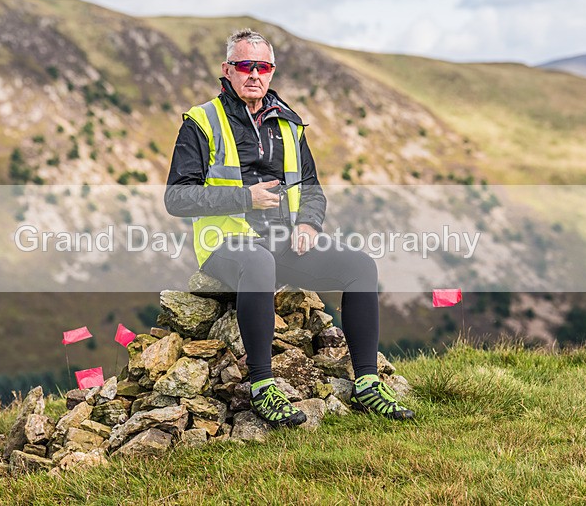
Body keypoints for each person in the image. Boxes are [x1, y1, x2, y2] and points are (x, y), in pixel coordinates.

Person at [165, 29, 414, 427]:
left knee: (361, 267)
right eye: (245, 66)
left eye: (262, 67)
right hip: (225, 244)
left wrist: (309, 224)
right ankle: (263, 386)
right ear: (227, 70)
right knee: (259, 261)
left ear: (272, 71)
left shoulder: (289, 124)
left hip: (284, 242)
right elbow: (175, 198)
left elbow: (312, 190)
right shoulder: (202, 122)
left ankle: (367, 382)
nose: (254, 74)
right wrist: (245, 197)